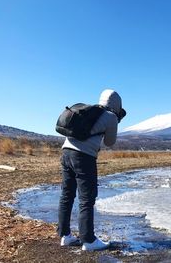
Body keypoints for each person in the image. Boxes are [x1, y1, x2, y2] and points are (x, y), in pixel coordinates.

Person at [57, 89, 125, 251]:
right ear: (117, 104)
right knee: (87, 199)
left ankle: (65, 236)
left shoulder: (88, 111)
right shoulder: (111, 117)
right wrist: (111, 125)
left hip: (66, 153)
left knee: (67, 195)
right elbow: (110, 142)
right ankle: (88, 240)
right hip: (84, 157)